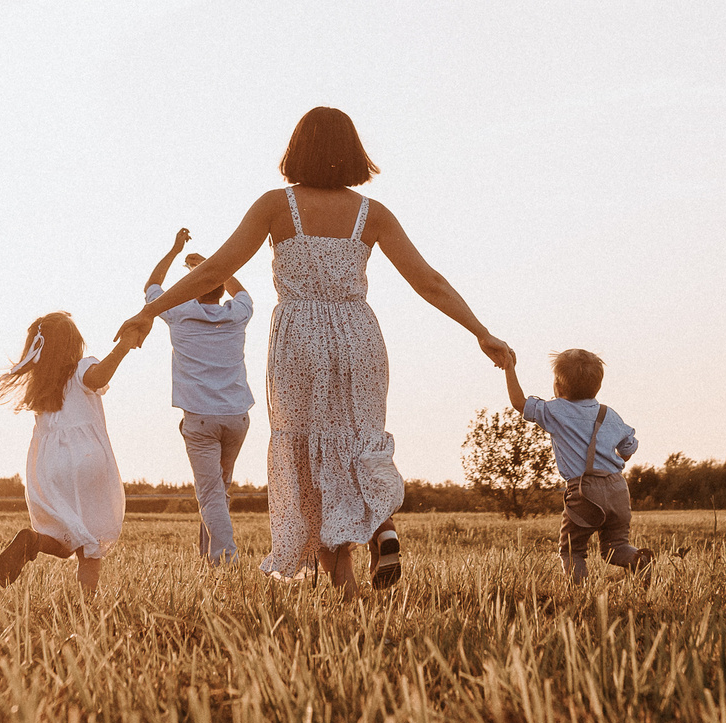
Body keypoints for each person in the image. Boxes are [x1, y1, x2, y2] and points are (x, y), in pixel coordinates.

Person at [117, 106, 514, 598]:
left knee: (308, 459)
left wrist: (150, 312)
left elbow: (213, 270)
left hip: (299, 340)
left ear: (297, 150)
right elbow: (428, 281)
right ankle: (383, 527)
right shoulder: (372, 213)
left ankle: (346, 588)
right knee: (361, 440)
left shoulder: (275, 206)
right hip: (358, 337)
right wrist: (480, 331)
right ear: (353, 152)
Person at [0, 311, 140, 596]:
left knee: (65, 538)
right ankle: (85, 604)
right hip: (87, 461)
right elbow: (99, 377)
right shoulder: (82, 369)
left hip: (50, 467)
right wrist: (123, 346)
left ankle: (35, 542)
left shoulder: (41, 386)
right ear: (74, 344)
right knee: (90, 545)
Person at [143, 226, 255, 565]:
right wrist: (211, 265)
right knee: (219, 491)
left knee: (210, 494)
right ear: (220, 289)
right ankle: (209, 557)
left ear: (191, 289)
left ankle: (225, 560)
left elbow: (152, 286)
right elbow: (240, 291)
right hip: (237, 417)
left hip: (201, 419)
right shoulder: (238, 314)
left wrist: (175, 251)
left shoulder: (177, 313)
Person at [502, 347, 654, 581]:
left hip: (584, 490)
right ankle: (638, 559)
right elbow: (628, 449)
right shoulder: (609, 414)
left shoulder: (554, 411)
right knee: (616, 547)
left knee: (572, 551)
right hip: (618, 489)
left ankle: (580, 593)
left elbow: (519, 403)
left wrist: (509, 368)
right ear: (597, 385)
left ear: (558, 386)